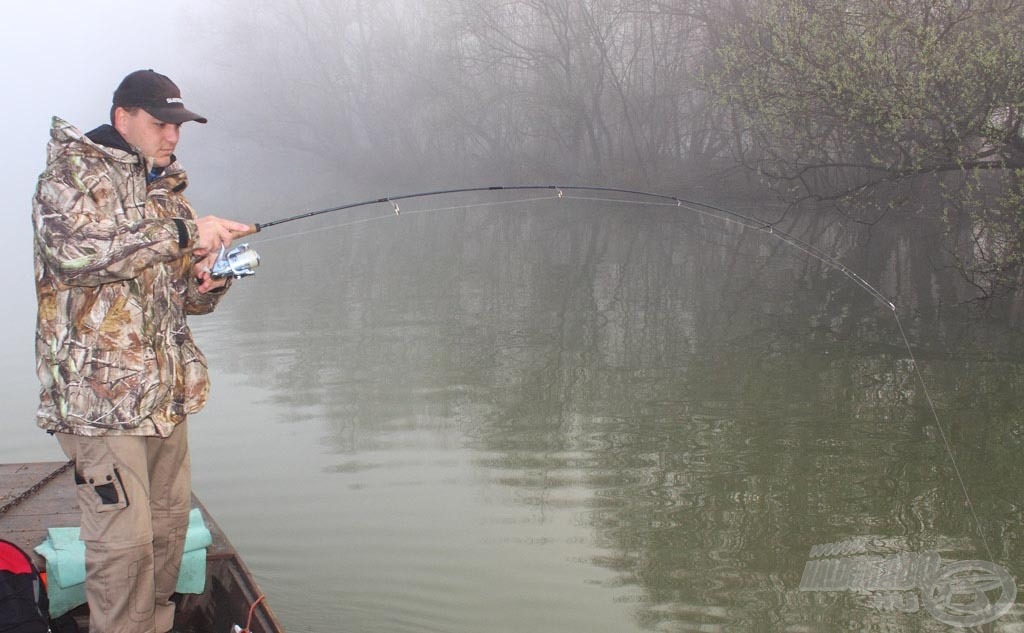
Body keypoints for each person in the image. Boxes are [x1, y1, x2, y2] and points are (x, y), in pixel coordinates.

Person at [31, 69, 251, 633]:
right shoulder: (69, 177)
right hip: (97, 399)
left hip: (162, 394)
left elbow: (178, 295)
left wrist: (207, 280)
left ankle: (152, 625)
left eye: (178, 126)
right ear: (123, 117)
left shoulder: (168, 190)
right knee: (122, 545)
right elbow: (75, 255)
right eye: (161, 124)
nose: (172, 137)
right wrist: (182, 237)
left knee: (168, 528)